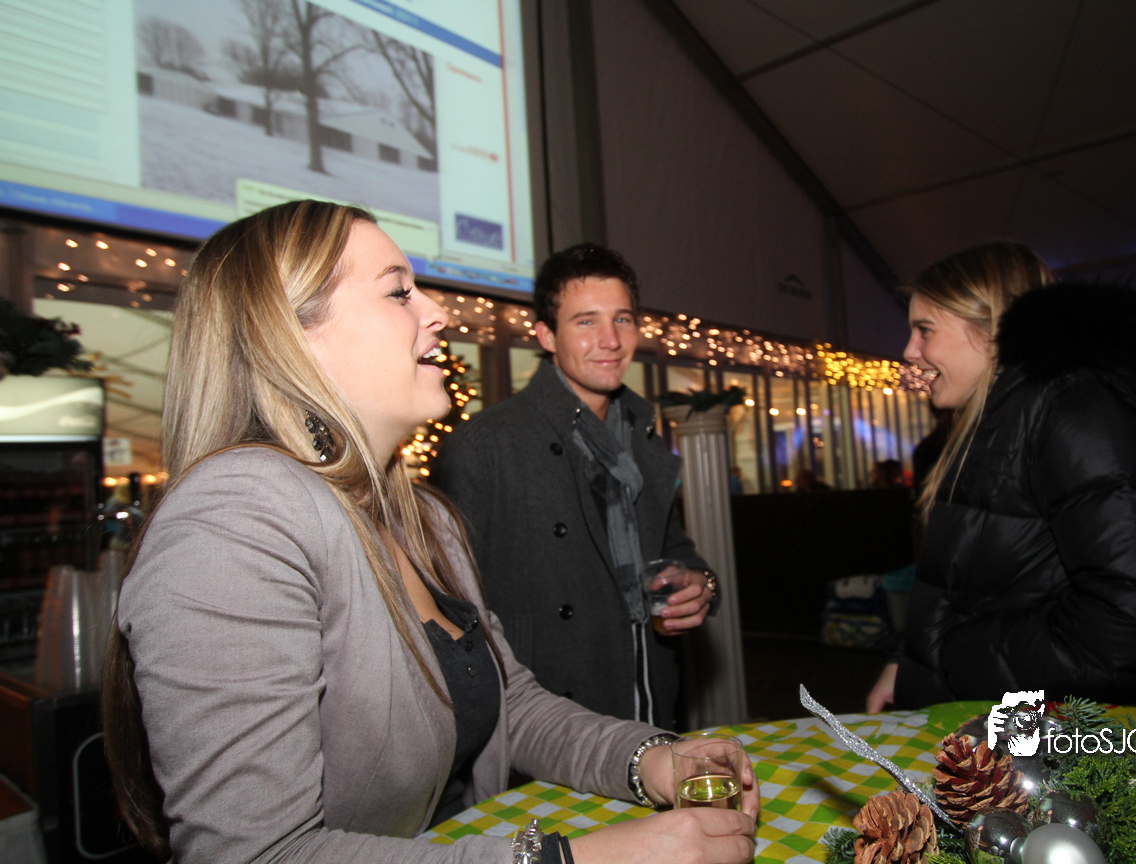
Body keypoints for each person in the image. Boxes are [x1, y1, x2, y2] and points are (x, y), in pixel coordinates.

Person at [100, 202, 758, 863]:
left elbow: (511, 703)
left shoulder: (424, 518)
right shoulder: (234, 520)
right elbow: (257, 856)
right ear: (291, 336)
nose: (439, 312)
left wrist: (649, 758)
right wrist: (572, 859)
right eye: (399, 292)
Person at [865, 241, 1136, 713]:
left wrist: (949, 658)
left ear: (992, 327)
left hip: (1061, 738)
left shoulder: (1074, 411)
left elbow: (1135, 623)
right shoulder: (999, 418)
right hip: (992, 725)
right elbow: (961, 587)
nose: (910, 351)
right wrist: (907, 658)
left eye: (925, 330)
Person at [434, 243, 717, 731]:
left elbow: (673, 548)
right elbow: (450, 609)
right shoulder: (485, 444)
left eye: (622, 320)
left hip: (649, 699)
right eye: (586, 322)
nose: (611, 340)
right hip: (548, 723)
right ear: (546, 335)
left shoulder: (643, 436)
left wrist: (701, 583)